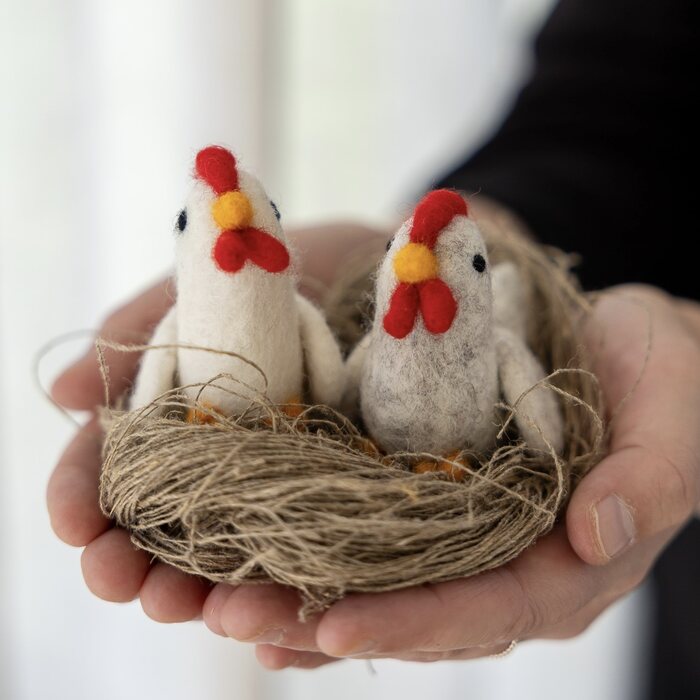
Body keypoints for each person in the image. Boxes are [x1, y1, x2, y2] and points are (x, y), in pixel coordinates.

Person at [47, 0, 699, 695]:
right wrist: (513, 222)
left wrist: (546, 450)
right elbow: (620, 90)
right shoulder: (285, 306)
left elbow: (503, 376)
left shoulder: (489, 340)